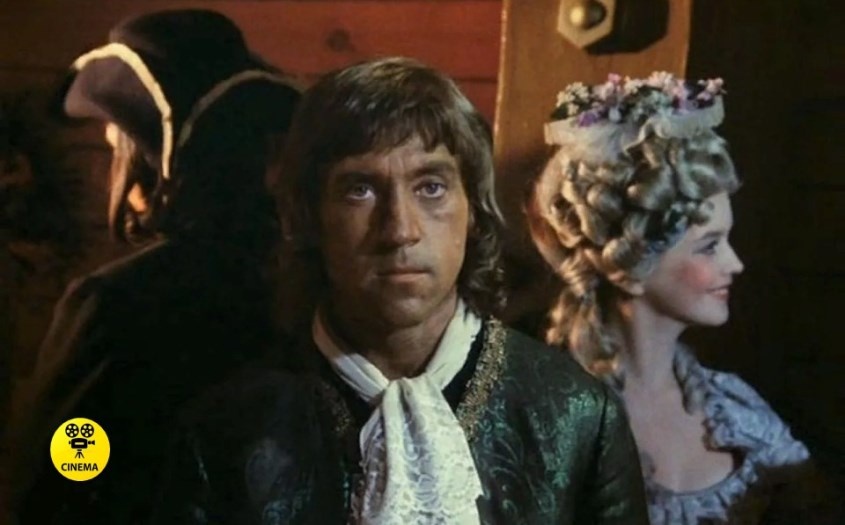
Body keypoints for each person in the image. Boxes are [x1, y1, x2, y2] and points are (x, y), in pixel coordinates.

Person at [154, 57, 650, 524]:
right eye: (360, 190)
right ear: (308, 217)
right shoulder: (226, 431)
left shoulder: (575, 414)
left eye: (431, 187)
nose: (400, 230)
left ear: (473, 210)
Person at [3, 9, 301, 524]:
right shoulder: (287, 286)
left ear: (146, 160)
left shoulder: (118, 303)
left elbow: (57, 479)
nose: (108, 160)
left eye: (114, 144)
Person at [527, 72, 834, 524]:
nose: (736, 264)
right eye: (709, 246)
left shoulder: (737, 414)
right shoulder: (544, 419)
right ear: (632, 262)